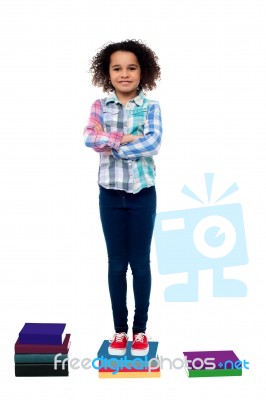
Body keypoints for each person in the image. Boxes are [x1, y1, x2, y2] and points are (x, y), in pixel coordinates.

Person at [83, 39, 162, 357]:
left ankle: (140, 332)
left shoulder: (151, 107)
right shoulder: (99, 106)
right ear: (108, 72)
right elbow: (89, 138)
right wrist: (130, 138)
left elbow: (154, 143)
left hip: (143, 195)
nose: (124, 74)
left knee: (140, 263)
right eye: (117, 68)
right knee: (116, 264)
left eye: (131, 67)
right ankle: (119, 332)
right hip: (110, 195)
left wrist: (110, 143)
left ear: (142, 71)